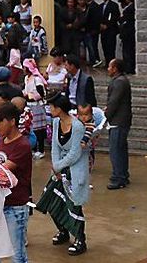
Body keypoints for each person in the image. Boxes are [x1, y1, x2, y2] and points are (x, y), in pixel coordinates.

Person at [0, 103, 33, 263]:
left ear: (12, 121)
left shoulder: (22, 145)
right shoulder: (2, 140)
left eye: (0, 121)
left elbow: (1, 172)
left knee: (17, 255)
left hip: (15, 206)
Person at [43, 93, 89, 255]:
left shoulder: (77, 126)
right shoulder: (56, 122)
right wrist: (56, 166)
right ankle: (63, 230)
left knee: (73, 205)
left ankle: (80, 239)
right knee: (51, 200)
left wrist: (59, 166)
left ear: (60, 108)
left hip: (74, 170)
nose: (50, 109)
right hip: (59, 169)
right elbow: (55, 146)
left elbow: (75, 153)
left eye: (52, 106)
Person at [105, 58, 132, 189]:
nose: (108, 69)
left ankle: (118, 177)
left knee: (116, 150)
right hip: (121, 120)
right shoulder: (121, 81)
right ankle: (123, 175)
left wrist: (106, 114)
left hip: (118, 121)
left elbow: (113, 102)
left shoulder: (119, 83)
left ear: (115, 68)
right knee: (121, 149)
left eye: (110, 67)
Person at [22, 58, 49, 159]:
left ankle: (41, 150)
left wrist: (31, 95)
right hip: (29, 106)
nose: (23, 69)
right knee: (31, 128)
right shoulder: (26, 78)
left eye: (24, 67)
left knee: (39, 129)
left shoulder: (37, 79)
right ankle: (33, 148)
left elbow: (41, 93)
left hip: (37, 106)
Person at [97, 0, 120, 69]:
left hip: (111, 30)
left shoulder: (114, 5)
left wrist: (107, 25)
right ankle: (107, 63)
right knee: (105, 47)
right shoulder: (100, 6)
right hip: (103, 31)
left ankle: (112, 64)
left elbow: (115, 17)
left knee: (111, 47)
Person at [118, 0, 136, 75]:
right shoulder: (128, 8)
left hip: (128, 34)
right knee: (127, 51)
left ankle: (129, 68)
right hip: (127, 33)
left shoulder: (129, 9)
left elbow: (125, 21)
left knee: (128, 52)